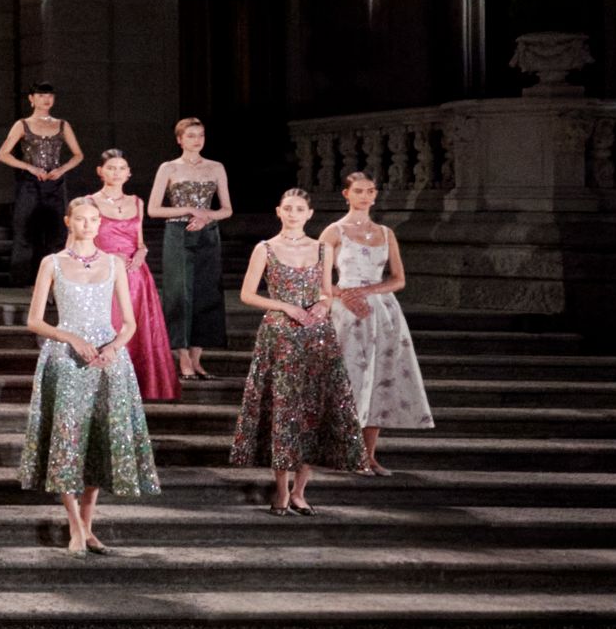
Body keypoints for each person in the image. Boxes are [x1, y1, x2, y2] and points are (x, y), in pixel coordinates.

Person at [17, 195, 160, 554]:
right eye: (80, 219)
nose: (88, 225)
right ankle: (75, 526)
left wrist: (113, 348)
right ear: (68, 222)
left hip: (106, 360)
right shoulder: (52, 263)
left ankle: (87, 525)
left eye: (93, 219)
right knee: (66, 440)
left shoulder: (113, 263)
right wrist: (70, 337)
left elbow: (129, 323)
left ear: (100, 224)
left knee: (98, 439)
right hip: (66, 359)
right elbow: (34, 320)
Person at [232, 187, 367, 513]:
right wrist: (285, 307)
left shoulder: (322, 248)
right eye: (288, 208)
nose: (293, 214)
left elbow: (326, 292)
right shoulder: (265, 248)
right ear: (279, 212)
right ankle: (281, 491)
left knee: (313, 413)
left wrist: (323, 304)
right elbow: (247, 294)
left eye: (299, 209)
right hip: (280, 336)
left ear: (309, 214)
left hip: (316, 336)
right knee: (283, 412)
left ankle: (300, 492)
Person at [321, 170, 432, 475]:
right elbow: (318, 279)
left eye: (370, 191)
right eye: (358, 191)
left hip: (383, 311)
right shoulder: (334, 231)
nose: (365, 196)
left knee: (379, 380)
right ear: (346, 194)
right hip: (348, 311)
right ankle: (344, 452)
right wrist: (344, 295)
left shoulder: (385, 233)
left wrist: (369, 291)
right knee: (350, 379)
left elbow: (398, 279)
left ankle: (368, 455)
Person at [86, 149, 180, 404]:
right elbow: (84, 241)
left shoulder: (137, 202)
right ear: (100, 171)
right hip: (105, 273)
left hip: (135, 275)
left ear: (128, 173)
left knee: (140, 330)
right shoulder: (90, 202)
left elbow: (139, 241)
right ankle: (106, 386)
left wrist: (141, 252)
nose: (116, 173)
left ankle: (142, 386)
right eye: (111, 168)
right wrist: (107, 257)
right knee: (112, 325)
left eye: (121, 168)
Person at [147, 118, 233, 382]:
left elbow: (227, 209)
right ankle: (182, 357)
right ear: (179, 140)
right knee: (179, 293)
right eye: (191, 136)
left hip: (207, 233)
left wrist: (206, 217)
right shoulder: (169, 167)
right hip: (177, 232)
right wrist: (188, 210)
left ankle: (197, 359)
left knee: (207, 293)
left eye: (201, 135)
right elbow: (153, 209)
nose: (197, 140)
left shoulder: (216, 167)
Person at [0, 81, 83, 269]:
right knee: (25, 231)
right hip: (30, 183)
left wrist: (61, 169)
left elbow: (78, 155)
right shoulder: (22, 124)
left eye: (50, 95)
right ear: (31, 99)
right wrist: (30, 168)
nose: (46, 99)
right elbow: (3, 154)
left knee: (57, 232)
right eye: (41, 95)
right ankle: (22, 279)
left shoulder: (62, 124)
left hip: (55, 184)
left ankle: (55, 276)